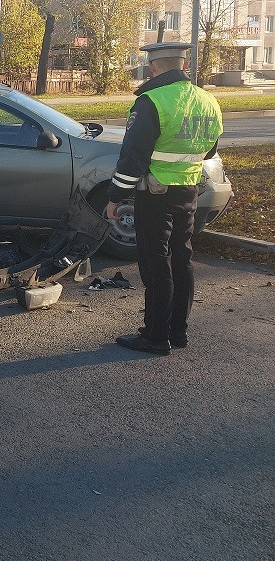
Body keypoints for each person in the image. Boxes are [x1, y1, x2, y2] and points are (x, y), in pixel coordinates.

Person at [105, 42, 223, 355]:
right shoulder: (208, 100)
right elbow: (209, 150)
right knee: (182, 259)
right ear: (184, 66)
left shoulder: (151, 101)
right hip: (189, 190)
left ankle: (155, 337)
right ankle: (178, 332)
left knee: (156, 262)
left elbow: (133, 159)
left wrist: (115, 198)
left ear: (154, 67)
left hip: (154, 194)